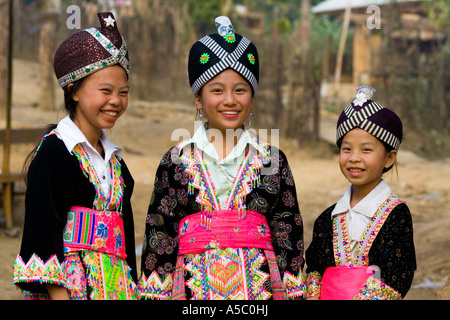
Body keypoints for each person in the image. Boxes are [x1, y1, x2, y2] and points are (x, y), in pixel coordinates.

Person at [137, 16, 305, 300]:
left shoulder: (272, 161)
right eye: (217, 90)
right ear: (199, 100)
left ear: (252, 98)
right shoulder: (175, 162)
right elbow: (160, 238)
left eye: (240, 89)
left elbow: (289, 236)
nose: (230, 100)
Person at [12, 12, 137, 300]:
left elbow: (128, 245)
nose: (116, 101)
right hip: (69, 292)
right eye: (105, 90)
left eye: (123, 92)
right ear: (74, 90)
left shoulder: (118, 165)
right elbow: (43, 234)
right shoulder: (54, 155)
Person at [305, 86, 416, 300]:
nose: (354, 157)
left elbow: (398, 275)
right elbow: (315, 268)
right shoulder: (327, 218)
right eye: (347, 149)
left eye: (366, 150)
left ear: (389, 158)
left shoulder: (396, 216)